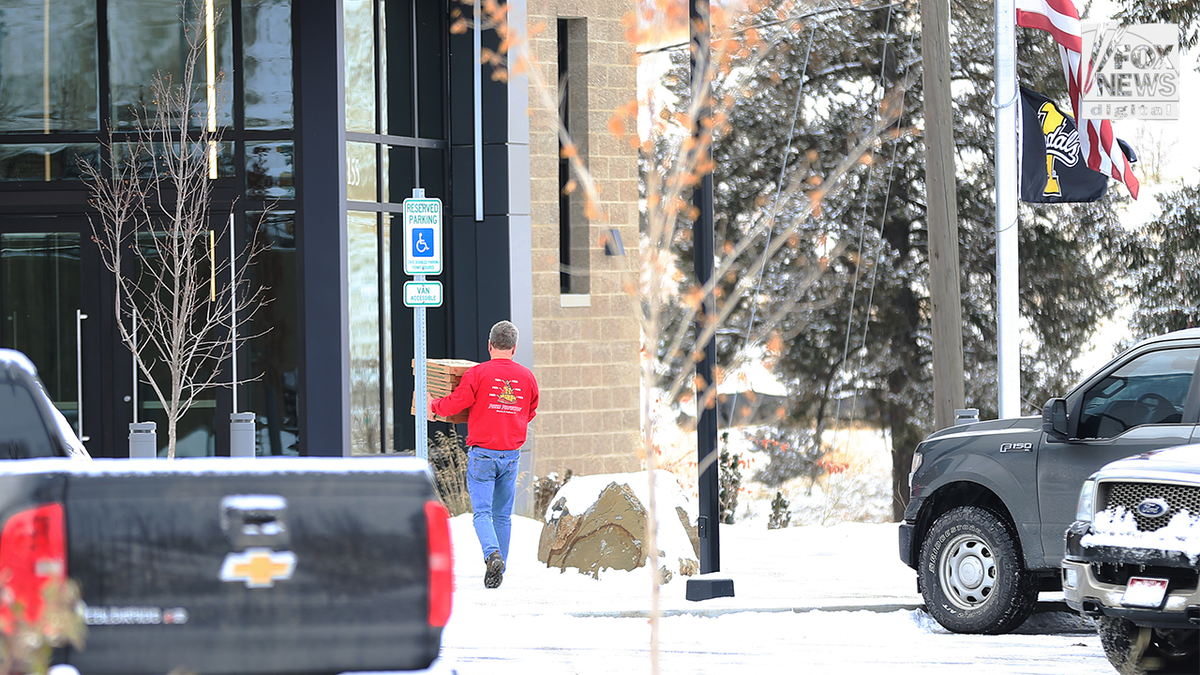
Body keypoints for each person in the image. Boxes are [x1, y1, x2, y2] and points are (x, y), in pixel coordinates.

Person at [428, 320, 538, 589]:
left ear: (490, 345)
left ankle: (493, 555)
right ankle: (498, 569)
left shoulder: (477, 374)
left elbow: (457, 402)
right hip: (511, 455)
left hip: (483, 455)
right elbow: (530, 411)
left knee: (482, 513)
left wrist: (433, 406)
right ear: (514, 348)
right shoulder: (527, 377)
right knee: (502, 515)